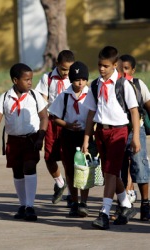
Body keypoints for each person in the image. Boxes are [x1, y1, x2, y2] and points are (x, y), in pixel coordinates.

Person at [82, 46, 140, 230]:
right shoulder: (95, 84)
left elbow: (134, 111)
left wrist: (136, 137)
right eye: (99, 65)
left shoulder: (123, 85)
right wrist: (86, 137)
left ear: (115, 65)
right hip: (101, 132)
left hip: (119, 132)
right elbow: (91, 112)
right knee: (112, 172)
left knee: (109, 173)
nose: (101, 69)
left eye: (106, 66)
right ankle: (126, 205)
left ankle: (104, 213)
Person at [0, 63, 48, 221]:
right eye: (26, 79)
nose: (30, 82)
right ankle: (22, 205)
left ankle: (30, 205)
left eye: (31, 79)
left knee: (29, 167)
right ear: (15, 80)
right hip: (14, 141)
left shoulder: (35, 96)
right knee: (17, 171)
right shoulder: (4, 98)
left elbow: (44, 117)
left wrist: (41, 136)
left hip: (31, 138)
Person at [49, 61, 92, 217]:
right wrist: (67, 124)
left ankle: (84, 202)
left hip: (85, 136)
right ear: (71, 80)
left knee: (84, 170)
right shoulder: (64, 96)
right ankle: (74, 201)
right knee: (71, 170)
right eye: (76, 80)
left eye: (83, 79)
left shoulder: (91, 95)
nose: (80, 83)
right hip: (68, 135)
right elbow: (54, 117)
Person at [35, 50, 75, 205]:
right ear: (57, 64)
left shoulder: (74, 78)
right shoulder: (47, 78)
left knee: (68, 158)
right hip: (52, 121)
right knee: (49, 156)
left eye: (69, 70)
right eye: (64, 69)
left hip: (68, 122)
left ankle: (73, 194)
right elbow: (42, 101)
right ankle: (60, 182)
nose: (66, 73)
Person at [119, 54, 150, 221]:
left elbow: (148, 105)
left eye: (126, 69)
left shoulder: (138, 85)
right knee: (121, 169)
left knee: (140, 166)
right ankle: (123, 204)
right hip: (118, 132)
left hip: (136, 131)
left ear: (133, 70)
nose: (123, 72)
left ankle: (145, 204)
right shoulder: (114, 86)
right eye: (120, 69)